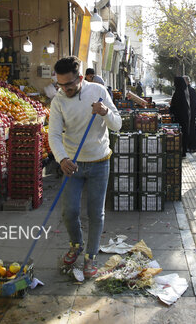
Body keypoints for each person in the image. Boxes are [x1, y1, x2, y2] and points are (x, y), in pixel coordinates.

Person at [48, 56, 121, 278]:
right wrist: (62, 159)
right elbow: (53, 134)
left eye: (69, 85)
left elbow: (117, 125)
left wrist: (105, 112)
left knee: (95, 213)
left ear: (80, 78)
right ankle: (76, 244)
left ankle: (91, 256)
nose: (65, 89)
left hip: (99, 161)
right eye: (60, 85)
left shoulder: (98, 91)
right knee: (69, 211)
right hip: (73, 164)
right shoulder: (58, 100)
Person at [170, 76, 190, 157]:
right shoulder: (184, 90)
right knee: (184, 133)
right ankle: (183, 150)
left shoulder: (179, 92)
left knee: (180, 134)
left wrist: (171, 108)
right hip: (185, 117)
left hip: (180, 117)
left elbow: (176, 105)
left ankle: (181, 151)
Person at [184, 76, 196, 153]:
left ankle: (193, 147)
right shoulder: (184, 89)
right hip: (188, 114)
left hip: (191, 114)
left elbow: (193, 103)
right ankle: (188, 146)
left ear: (188, 82)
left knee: (192, 130)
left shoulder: (191, 90)